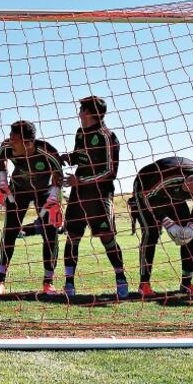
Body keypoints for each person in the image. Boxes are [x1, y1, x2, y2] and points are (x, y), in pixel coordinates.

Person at [60, 96, 129, 298]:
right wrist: (66, 158)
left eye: (82, 109)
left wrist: (82, 181)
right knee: (72, 236)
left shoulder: (107, 136)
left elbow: (110, 172)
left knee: (107, 237)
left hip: (99, 194)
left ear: (91, 113)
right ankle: (69, 284)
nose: (79, 112)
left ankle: (121, 279)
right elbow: (78, 155)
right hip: (78, 193)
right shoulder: (81, 133)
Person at [0, 120, 63, 295]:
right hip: (18, 189)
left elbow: (58, 176)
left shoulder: (48, 151)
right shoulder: (7, 147)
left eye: (14, 139)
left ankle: (48, 282)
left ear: (28, 143)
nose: (9, 141)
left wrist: (53, 199)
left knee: (50, 233)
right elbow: (2, 158)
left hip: (44, 191)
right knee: (10, 231)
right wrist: (2, 182)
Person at [131, 157, 193, 296]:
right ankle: (144, 284)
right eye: (188, 189)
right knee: (151, 232)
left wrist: (191, 226)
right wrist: (168, 223)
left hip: (174, 194)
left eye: (191, 194)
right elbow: (149, 199)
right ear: (187, 180)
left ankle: (186, 283)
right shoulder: (170, 176)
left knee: (190, 236)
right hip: (146, 189)